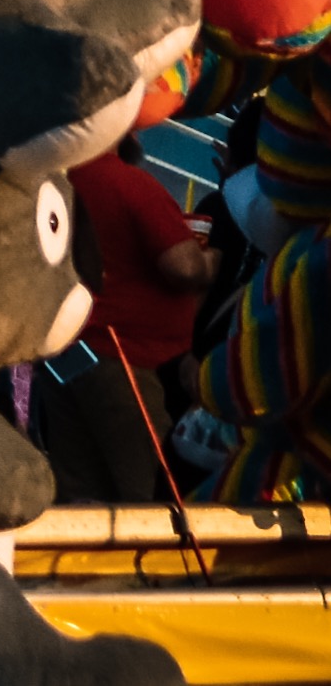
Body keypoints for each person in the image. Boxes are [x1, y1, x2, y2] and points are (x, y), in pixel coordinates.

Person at [47, 132, 218, 501]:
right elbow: (184, 267)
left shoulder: (55, 180)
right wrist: (212, 263)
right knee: (148, 489)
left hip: (66, 353)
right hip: (123, 356)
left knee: (76, 485)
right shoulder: (128, 183)